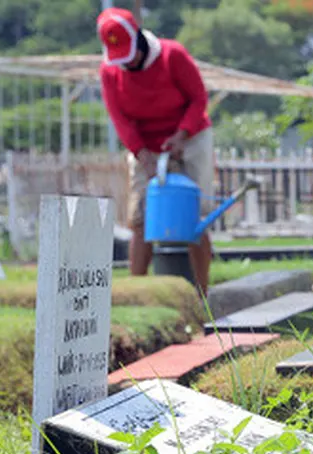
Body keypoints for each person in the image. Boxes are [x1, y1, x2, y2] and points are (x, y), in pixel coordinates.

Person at [97, 7, 214, 293]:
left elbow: (198, 99)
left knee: (194, 215)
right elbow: (119, 118)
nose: (127, 62)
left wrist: (181, 135)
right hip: (145, 147)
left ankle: (202, 296)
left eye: (130, 53)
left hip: (189, 138)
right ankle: (138, 294)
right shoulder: (110, 71)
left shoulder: (172, 55)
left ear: (138, 38)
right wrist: (141, 153)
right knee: (140, 218)